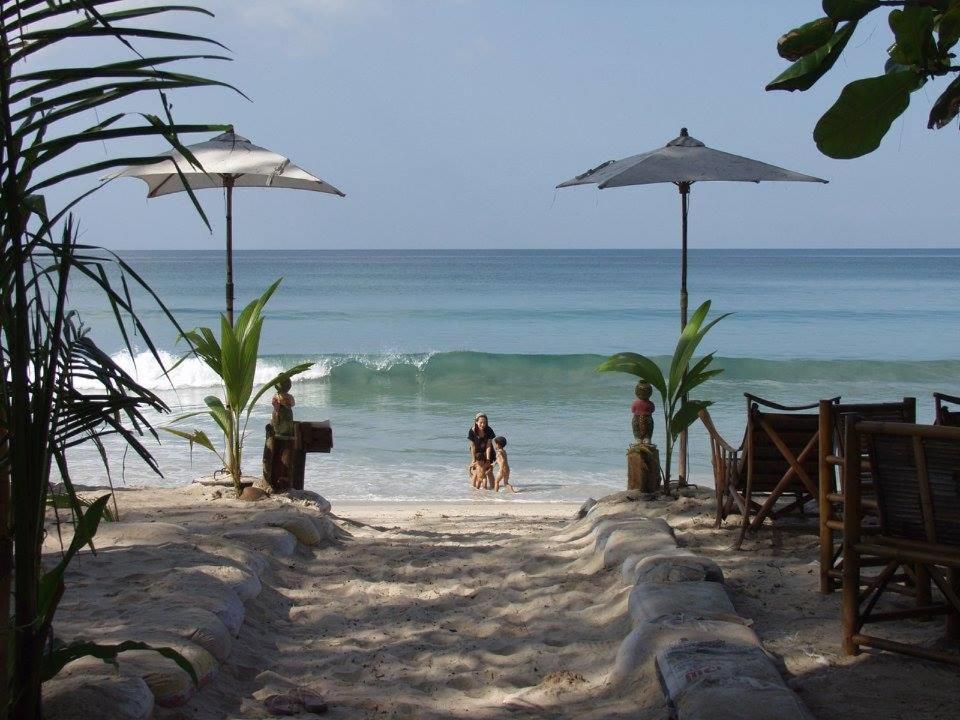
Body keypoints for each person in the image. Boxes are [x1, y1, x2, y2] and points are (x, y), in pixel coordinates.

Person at [467, 412, 496, 489]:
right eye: (481, 422)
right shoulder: (472, 431)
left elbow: (488, 446)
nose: (483, 424)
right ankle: (475, 489)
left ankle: (493, 489)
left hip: (488, 451)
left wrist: (488, 459)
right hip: (477, 452)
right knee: (476, 470)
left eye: (485, 422)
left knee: (489, 471)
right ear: (476, 422)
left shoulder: (489, 430)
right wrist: (473, 459)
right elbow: (472, 446)